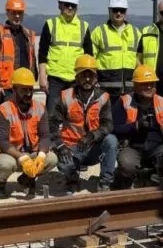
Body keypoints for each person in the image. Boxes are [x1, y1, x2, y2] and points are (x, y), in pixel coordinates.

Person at [50, 55, 117, 195]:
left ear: (96, 78)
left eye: (90, 75)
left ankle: (105, 182)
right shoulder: (65, 97)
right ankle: (72, 179)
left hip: (94, 147)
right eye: (83, 75)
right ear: (76, 77)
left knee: (111, 140)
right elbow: (52, 124)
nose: (87, 79)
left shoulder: (103, 97)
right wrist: (61, 146)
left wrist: (92, 136)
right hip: (72, 148)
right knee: (64, 164)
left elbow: (108, 124)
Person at [0, 68, 58, 199]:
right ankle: (0, 183)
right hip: (9, 153)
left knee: (51, 158)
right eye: (24, 90)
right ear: (14, 90)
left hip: (31, 152)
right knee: (5, 164)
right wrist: (22, 157)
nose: (28, 93)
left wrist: (41, 155)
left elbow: (45, 135)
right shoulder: (4, 110)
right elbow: (3, 142)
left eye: (30, 89)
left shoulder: (40, 108)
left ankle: (26, 178)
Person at [112, 65, 163, 189]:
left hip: (158, 147)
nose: (149, 87)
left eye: (151, 84)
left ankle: (152, 176)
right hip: (133, 146)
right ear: (135, 85)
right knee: (126, 163)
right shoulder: (124, 101)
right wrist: (136, 126)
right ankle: (127, 179)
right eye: (144, 84)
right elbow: (115, 128)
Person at [38, 0, 92, 116]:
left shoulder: (83, 26)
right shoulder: (51, 24)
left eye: (73, 5)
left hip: (76, 79)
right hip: (55, 79)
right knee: (52, 116)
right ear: (60, 5)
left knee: (75, 116)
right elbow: (42, 54)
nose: (70, 7)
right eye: (67, 4)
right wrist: (42, 76)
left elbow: (89, 56)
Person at [0, 0, 36, 105]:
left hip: (25, 86)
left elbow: (32, 60)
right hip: (7, 88)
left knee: (24, 115)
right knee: (7, 114)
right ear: (7, 13)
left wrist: (33, 80)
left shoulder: (28, 35)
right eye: (14, 13)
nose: (17, 16)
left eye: (20, 13)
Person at [91, 0, 140, 105]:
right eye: (115, 10)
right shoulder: (99, 32)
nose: (118, 13)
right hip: (105, 91)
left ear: (126, 12)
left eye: (122, 10)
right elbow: (90, 60)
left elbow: (140, 60)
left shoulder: (136, 32)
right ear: (109, 10)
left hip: (130, 91)